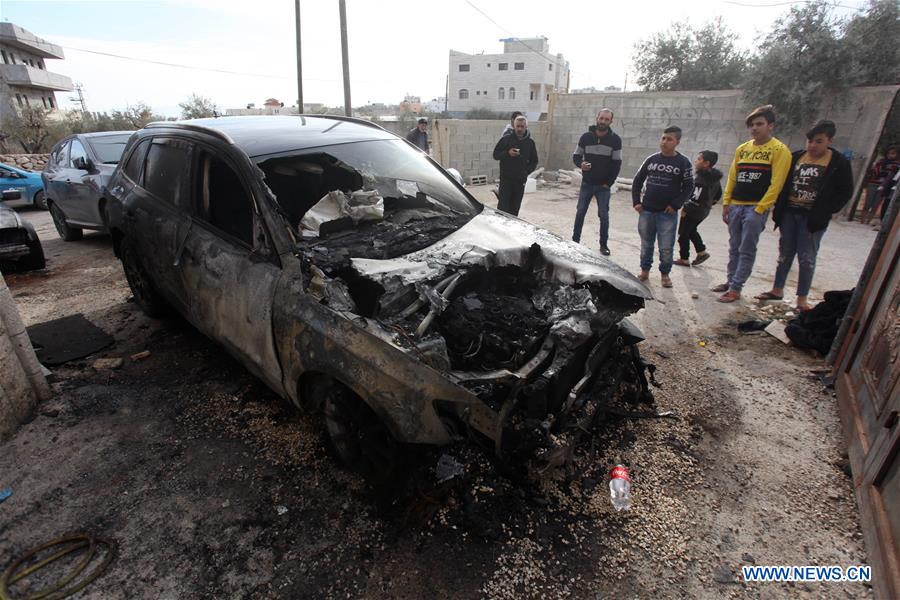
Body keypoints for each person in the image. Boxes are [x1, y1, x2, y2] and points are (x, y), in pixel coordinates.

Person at [755, 120, 853, 311]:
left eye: (818, 141)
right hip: (790, 213)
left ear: (829, 140)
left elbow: (846, 191)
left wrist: (827, 210)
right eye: (809, 141)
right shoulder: (796, 157)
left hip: (813, 218)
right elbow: (781, 181)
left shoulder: (838, 162)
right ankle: (777, 289)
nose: (812, 146)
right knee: (785, 253)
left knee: (807, 258)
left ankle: (802, 299)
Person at [713, 105, 791, 303]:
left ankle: (736, 287)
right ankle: (730, 281)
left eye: (760, 124)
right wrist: (726, 203)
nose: (755, 128)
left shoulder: (779, 150)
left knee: (747, 248)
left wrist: (760, 208)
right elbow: (733, 176)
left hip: (755, 207)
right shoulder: (743, 149)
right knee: (734, 246)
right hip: (736, 204)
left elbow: (777, 183)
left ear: (770, 125)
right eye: (752, 125)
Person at [631, 126, 693, 287]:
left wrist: (675, 205)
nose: (664, 142)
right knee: (646, 244)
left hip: (667, 213)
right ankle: (645, 271)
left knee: (666, 247)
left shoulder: (683, 162)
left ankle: (665, 274)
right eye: (663, 138)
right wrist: (636, 202)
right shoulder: (651, 160)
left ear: (677, 142)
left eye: (669, 139)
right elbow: (637, 181)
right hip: (647, 211)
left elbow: (688, 187)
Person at [571, 108, 622, 255]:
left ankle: (603, 245)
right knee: (580, 212)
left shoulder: (615, 140)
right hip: (587, 183)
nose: (603, 121)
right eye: (601, 118)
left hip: (603, 186)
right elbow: (576, 156)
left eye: (607, 119)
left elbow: (617, 163)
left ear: (611, 121)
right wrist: (580, 164)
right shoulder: (585, 137)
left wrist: (608, 183)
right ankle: (574, 242)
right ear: (597, 118)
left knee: (604, 215)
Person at [673, 150, 722, 267]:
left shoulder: (700, 180)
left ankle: (684, 258)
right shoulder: (714, 179)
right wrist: (709, 204)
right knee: (691, 231)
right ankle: (701, 252)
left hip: (693, 211)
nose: (696, 161)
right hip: (704, 211)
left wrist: (685, 209)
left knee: (683, 233)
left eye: (699, 159)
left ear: (706, 163)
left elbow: (695, 198)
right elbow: (718, 195)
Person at [492, 115, 538, 217]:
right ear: (514, 126)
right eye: (518, 126)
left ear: (526, 127)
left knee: (515, 208)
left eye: (522, 126)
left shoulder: (530, 143)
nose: (520, 129)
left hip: (520, 181)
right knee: (503, 209)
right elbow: (496, 155)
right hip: (506, 180)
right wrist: (507, 153)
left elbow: (534, 161)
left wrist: (526, 171)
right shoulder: (506, 140)